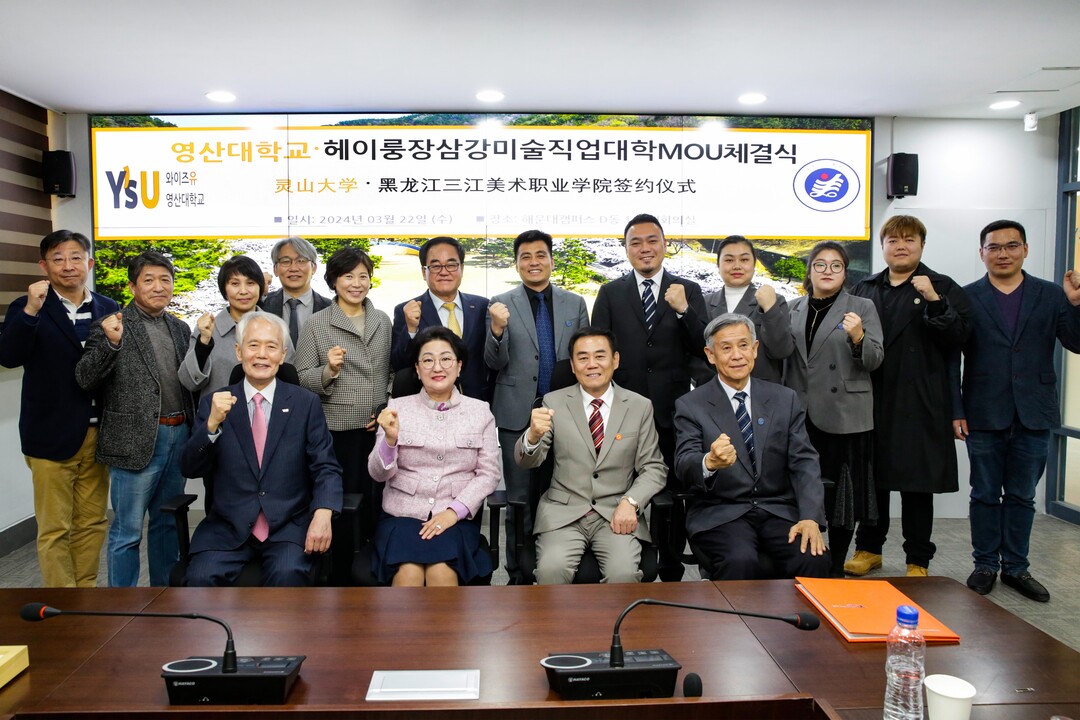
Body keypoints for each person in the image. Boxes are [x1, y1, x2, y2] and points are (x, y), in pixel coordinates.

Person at [952, 220, 1080, 602]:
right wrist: (955, 409)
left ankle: (1016, 568)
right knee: (985, 493)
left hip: (1034, 412)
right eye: (994, 247)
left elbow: (1076, 342)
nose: (1003, 254)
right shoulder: (966, 297)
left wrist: (1076, 305)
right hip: (982, 410)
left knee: (1023, 495)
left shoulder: (1052, 294)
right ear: (982, 253)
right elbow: (950, 359)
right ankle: (985, 565)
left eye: (1011, 246)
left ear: (1025, 249)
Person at [846, 215, 971, 577]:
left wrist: (934, 301)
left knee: (918, 486)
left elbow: (960, 337)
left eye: (909, 240)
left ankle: (918, 558)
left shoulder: (942, 286)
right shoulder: (865, 287)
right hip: (872, 397)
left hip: (920, 400)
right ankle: (869, 548)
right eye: (893, 240)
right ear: (883, 246)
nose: (901, 246)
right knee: (872, 480)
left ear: (922, 245)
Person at [180, 313, 343, 586]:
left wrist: (324, 511)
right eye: (253, 345)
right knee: (200, 579)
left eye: (271, 346)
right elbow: (190, 468)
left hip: (287, 527)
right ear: (239, 351)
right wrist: (211, 425)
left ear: (283, 354)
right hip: (227, 528)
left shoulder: (305, 404)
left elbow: (326, 466)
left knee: (288, 575)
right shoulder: (214, 403)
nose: (262, 354)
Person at [591, 213, 708, 581]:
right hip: (623, 411)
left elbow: (703, 346)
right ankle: (633, 562)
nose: (644, 248)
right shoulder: (611, 293)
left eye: (652, 240)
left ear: (665, 245)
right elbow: (599, 351)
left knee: (672, 494)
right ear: (626, 249)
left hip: (674, 411)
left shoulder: (687, 289)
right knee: (625, 489)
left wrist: (684, 310)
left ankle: (671, 567)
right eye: (635, 242)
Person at [0, 230, 119, 587]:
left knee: (92, 522)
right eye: (58, 258)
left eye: (75, 257)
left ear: (89, 263)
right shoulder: (28, 307)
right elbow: (8, 356)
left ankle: (85, 595)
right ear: (44, 265)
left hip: (97, 433)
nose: (68, 266)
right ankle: (61, 602)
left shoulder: (108, 307)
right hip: (49, 435)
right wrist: (31, 311)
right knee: (55, 527)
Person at [674, 314, 830, 580]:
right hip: (722, 513)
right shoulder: (691, 405)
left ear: (755, 349)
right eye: (726, 348)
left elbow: (804, 462)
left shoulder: (784, 399)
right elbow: (684, 463)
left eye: (744, 345)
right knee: (740, 561)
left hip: (777, 510)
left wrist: (810, 517)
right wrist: (709, 462)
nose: (737, 355)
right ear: (710, 355)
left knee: (812, 558)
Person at [75, 251, 194, 587]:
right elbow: (85, 377)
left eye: (165, 280)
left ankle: (163, 596)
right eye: (149, 280)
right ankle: (122, 603)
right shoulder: (112, 325)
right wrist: (111, 344)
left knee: (167, 523)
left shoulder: (180, 328)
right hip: (134, 440)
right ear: (132, 286)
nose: (159, 287)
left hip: (178, 435)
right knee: (127, 530)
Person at [515, 327, 667, 584]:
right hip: (563, 513)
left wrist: (631, 502)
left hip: (615, 512)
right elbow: (529, 460)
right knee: (552, 571)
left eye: (600, 356)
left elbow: (654, 467)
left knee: (624, 574)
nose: (592, 364)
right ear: (573, 366)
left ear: (615, 360)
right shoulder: (553, 402)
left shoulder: (639, 406)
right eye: (583, 357)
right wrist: (532, 437)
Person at [485, 230, 590, 582]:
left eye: (540, 255)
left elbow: (583, 358)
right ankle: (517, 572)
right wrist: (497, 331)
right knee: (519, 500)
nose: (533, 262)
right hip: (516, 413)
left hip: (567, 414)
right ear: (516, 264)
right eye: (525, 257)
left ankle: (557, 568)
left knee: (562, 493)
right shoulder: (499, 304)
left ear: (551, 260)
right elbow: (493, 362)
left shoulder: (575, 303)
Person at [368, 326, 500, 586]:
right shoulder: (396, 408)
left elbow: (489, 474)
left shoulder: (480, 411)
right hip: (401, 516)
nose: (437, 367)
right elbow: (377, 473)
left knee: (442, 571)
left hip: (455, 518)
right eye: (427, 360)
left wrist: (453, 512)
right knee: (408, 573)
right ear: (417, 370)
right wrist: (390, 441)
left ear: (459, 366)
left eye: (446, 359)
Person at [784, 241, 884, 577]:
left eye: (836, 265)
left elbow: (875, 359)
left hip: (845, 413)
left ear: (845, 272)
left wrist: (858, 337)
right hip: (799, 412)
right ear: (809, 271)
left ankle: (836, 565)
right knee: (801, 486)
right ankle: (805, 559)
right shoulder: (792, 308)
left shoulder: (862, 307)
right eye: (820, 264)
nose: (827, 271)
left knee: (843, 495)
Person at [294, 247, 392, 584]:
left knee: (376, 506)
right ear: (334, 280)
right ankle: (338, 579)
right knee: (342, 507)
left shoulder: (382, 320)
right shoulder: (317, 323)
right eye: (348, 276)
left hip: (377, 430)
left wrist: (384, 407)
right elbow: (300, 377)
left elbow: (391, 372)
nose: (357, 283)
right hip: (337, 431)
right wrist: (329, 371)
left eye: (363, 276)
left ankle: (373, 575)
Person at [390, 236, 491, 400]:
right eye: (436, 266)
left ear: (461, 268)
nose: (444, 272)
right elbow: (400, 365)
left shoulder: (482, 306)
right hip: (427, 404)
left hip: (476, 402)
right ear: (424, 272)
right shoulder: (406, 310)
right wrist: (411, 329)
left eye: (451, 265)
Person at [180, 255, 289, 402]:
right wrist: (203, 344)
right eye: (235, 284)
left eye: (250, 283)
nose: (243, 291)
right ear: (224, 289)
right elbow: (189, 383)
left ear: (260, 287)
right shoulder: (208, 330)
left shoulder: (276, 328)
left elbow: (290, 379)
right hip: (219, 414)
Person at [704, 235, 794, 383]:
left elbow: (782, 351)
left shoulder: (774, 301)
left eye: (744, 259)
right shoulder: (704, 303)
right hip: (715, 391)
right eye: (729, 260)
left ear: (754, 263)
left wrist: (770, 309)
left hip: (762, 390)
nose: (737, 266)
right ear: (718, 264)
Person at [260, 236, 332, 346]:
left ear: (314, 268)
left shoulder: (330, 309)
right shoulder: (261, 306)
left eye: (301, 261)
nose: (293, 268)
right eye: (285, 261)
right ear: (275, 269)